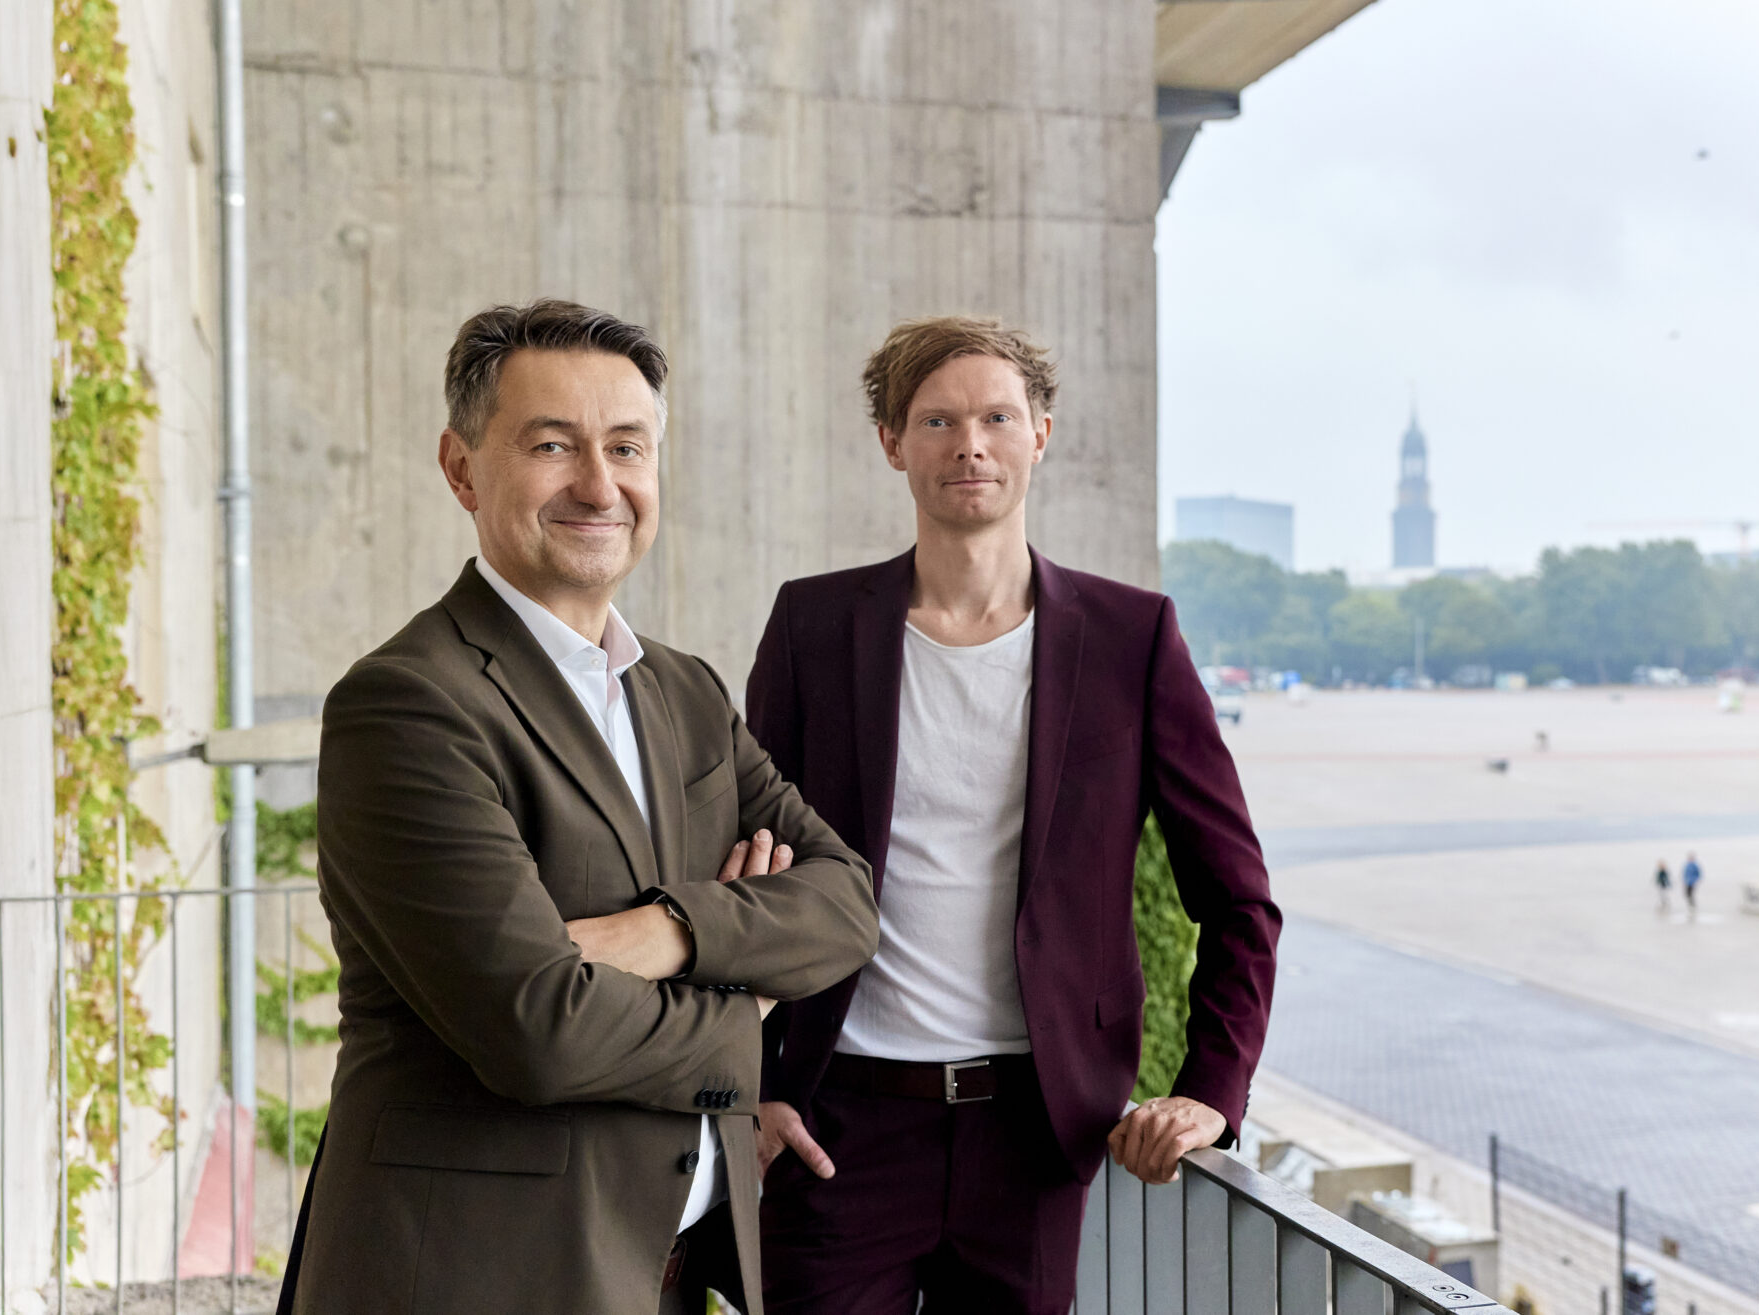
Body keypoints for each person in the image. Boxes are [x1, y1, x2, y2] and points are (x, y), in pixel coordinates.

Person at [284, 300, 881, 1315]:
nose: (599, 486)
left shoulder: (683, 692)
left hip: (657, 1269)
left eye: (627, 447)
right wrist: (747, 1010)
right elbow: (535, 1028)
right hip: (473, 1276)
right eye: (553, 446)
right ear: (462, 466)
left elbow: (844, 902)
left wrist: (674, 931)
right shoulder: (411, 702)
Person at [745, 316, 1282, 1314]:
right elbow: (743, 875)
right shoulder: (814, 626)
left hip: (1034, 1138)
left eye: (996, 416)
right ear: (892, 443)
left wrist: (1210, 1089)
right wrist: (749, 1078)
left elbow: (1240, 899)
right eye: (938, 420)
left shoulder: (1132, 639)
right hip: (836, 1123)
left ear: (1041, 432)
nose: (969, 444)